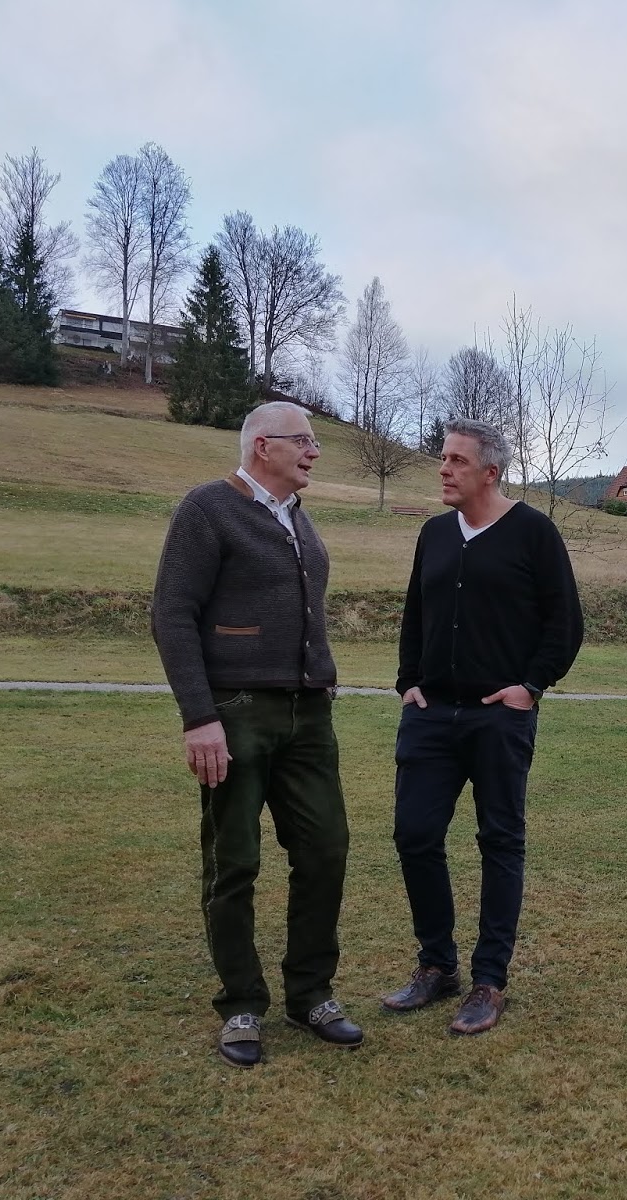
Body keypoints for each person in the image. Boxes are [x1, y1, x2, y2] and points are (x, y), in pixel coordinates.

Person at [151, 401, 361, 1066]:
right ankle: (242, 1003)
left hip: (308, 714)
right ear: (262, 446)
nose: (314, 452)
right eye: (304, 441)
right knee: (233, 862)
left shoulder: (297, 519)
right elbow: (172, 614)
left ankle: (311, 994)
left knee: (326, 850)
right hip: (234, 711)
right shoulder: (208, 508)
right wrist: (199, 716)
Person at [382, 418, 584, 1034]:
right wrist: (407, 679)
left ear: (490, 472)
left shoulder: (533, 534)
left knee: (499, 843)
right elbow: (416, 612)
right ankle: (436, 967)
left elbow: (565, 622)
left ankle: (489, 980)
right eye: (442, 458)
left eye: (456, 461)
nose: (443, 469)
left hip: (499, 718)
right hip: (431, 715)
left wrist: (530, 686)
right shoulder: (435, 535)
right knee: (414, 835)